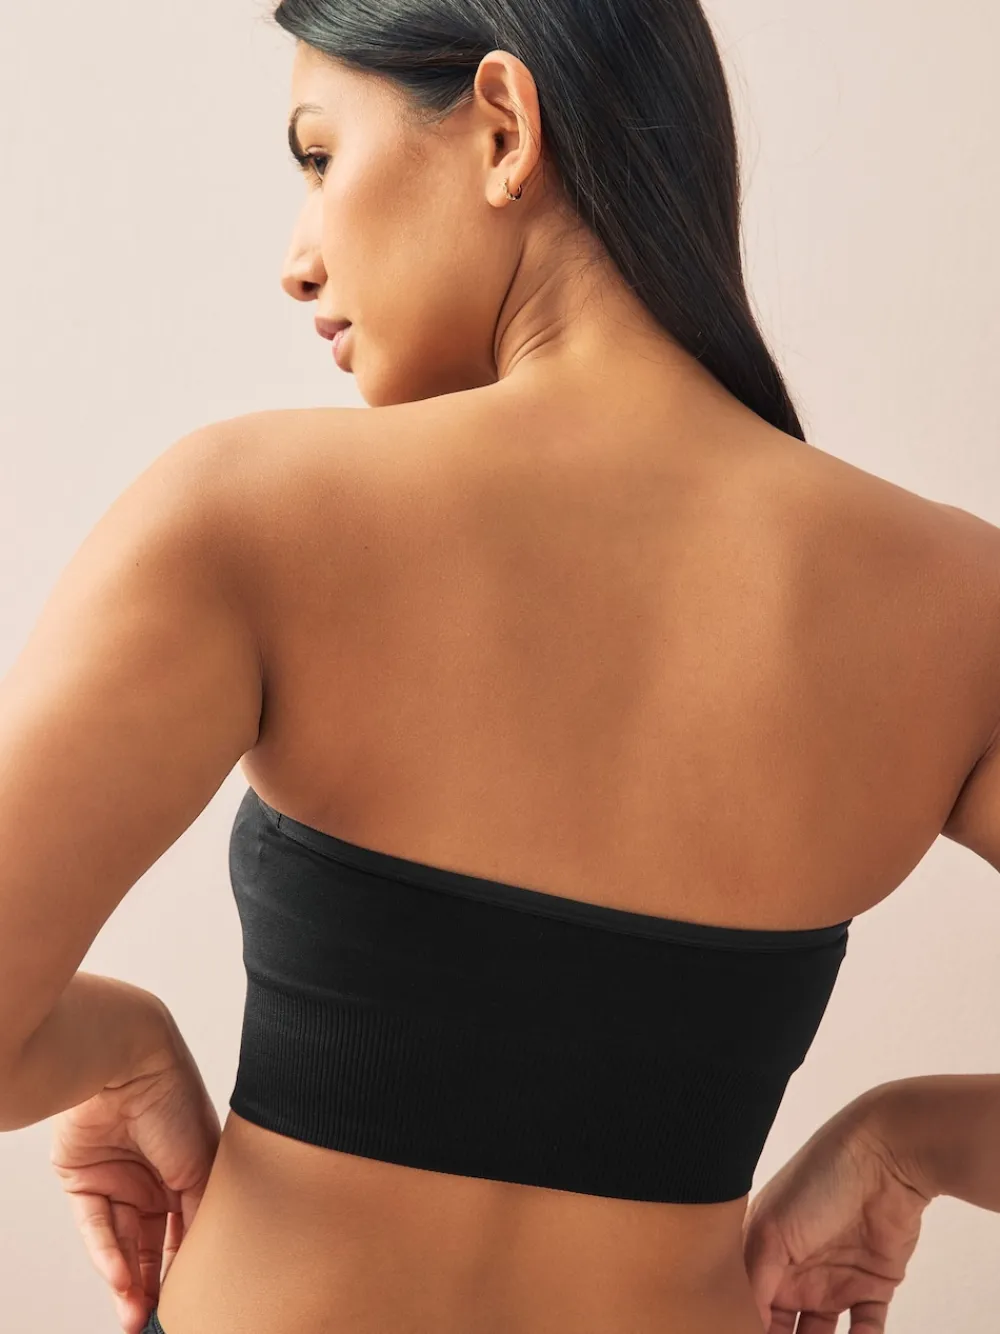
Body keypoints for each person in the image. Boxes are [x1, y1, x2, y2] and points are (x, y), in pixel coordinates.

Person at [6, 2, 998, 1333]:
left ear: (502, 129)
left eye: (319, 156)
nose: (297, 261)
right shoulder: (959, 607)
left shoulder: (247, 514)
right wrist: (910, 1143)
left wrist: (118, 1043)